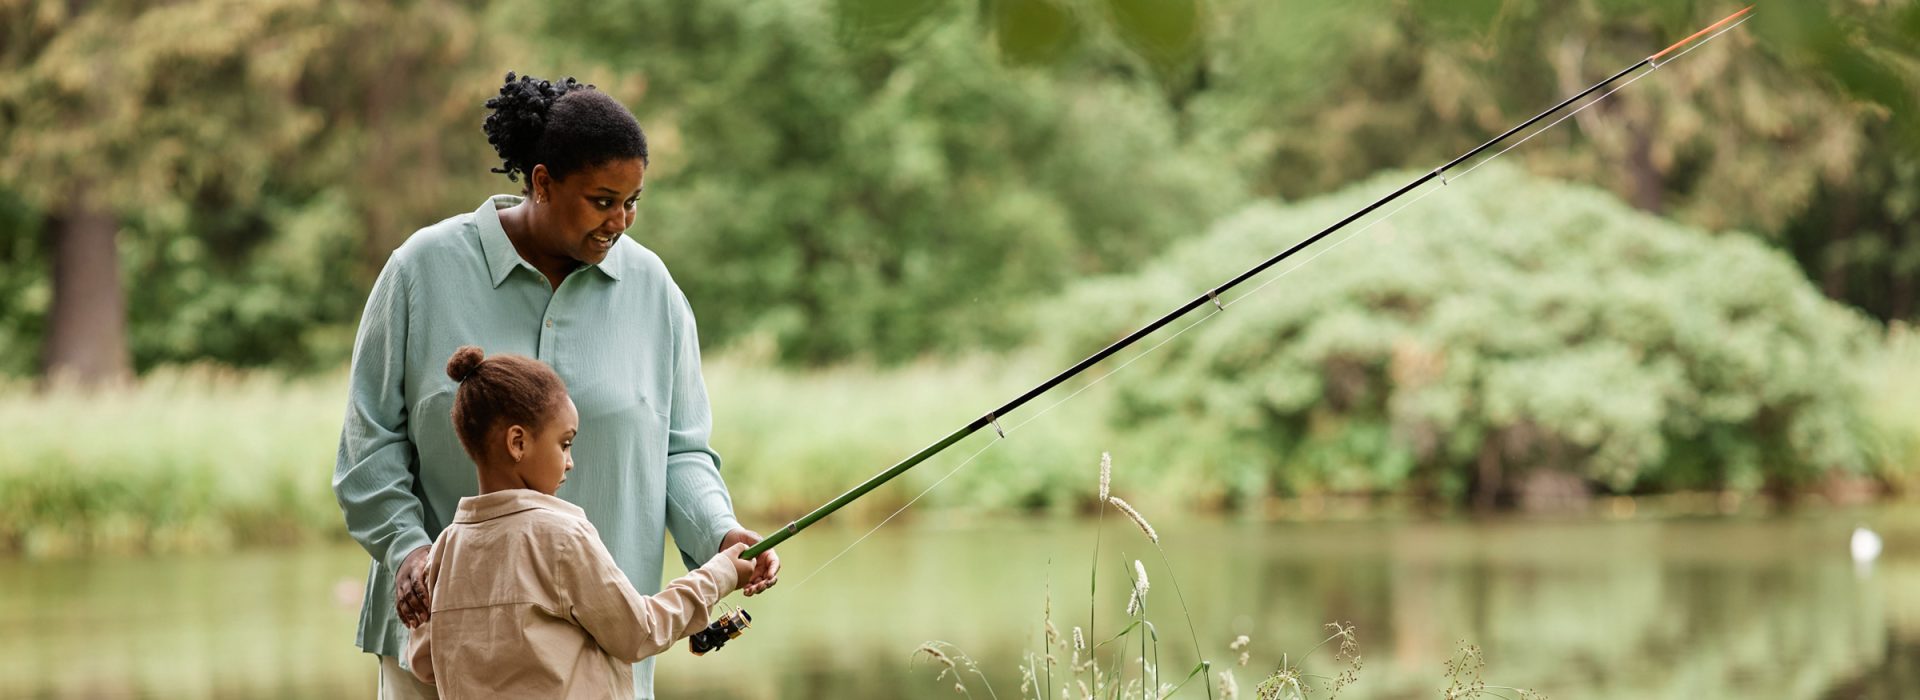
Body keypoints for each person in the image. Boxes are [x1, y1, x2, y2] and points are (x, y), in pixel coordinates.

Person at [334, 72, 779, 700]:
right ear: (542, 182)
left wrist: (720, 533)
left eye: (633, 203)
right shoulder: (419, 271)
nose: (620, 221)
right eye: (602, 200)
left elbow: (681, 452)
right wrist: (409, 552)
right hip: (442, 653)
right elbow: (367, 451)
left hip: (593, 663)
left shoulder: (654, 292)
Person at [405, 346, 755, 698]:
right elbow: (639, 632)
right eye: (565, 443)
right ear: (517, 443)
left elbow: (423, 661)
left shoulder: (445, 549)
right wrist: (720, 574)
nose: (570, 462)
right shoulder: (561, 538)